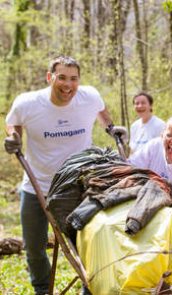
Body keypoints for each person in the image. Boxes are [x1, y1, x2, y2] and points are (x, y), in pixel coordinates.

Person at [4, 55, 127, 295]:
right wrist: (14, 138)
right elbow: (13, 122)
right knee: (34, 247)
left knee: (90, 239)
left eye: (73, 79)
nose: (67, 85)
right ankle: (42, 289)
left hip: (79, 185)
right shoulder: (28, 103)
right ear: (50, 78)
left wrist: (112, 129)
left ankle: (89, 286)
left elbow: (103, 112)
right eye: (61, 77)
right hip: (36, 185)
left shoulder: (89, 96)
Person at [128, 116, 172, 229]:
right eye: (169, 135)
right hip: (153, 197)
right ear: (162, 135)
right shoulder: (153, 146)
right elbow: (130, 166)